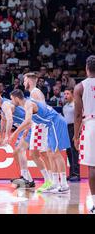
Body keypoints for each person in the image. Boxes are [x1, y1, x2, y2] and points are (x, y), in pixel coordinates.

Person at [9, 89, 71, 194]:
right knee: (50, 153)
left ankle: (64, 184)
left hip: (55, 122)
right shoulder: (27, 103)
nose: (11, 102)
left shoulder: (29, 104)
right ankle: (55, 183)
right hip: (49, 125)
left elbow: (28, 120)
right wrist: (27, 129)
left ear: (16, 98)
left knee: (55, 153)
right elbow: (30, 121)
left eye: (11, 99)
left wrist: (14, 133)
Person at [0, 89, 35, 188]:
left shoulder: (5, 104)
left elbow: (10, 120)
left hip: (29, 126)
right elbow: (3, 120)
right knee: (16, 153)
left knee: (21, 151)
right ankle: (28, 179)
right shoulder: (0, 105)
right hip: (22, 128)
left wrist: (7, 136)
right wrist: (1, 136)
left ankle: (26, 179)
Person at [23, 73, 53, 192]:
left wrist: (28, 127)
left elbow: (42, 111)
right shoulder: (35, 92)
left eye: (24, 81)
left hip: (40, 125)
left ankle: (49, 181)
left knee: (35, 154)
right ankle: (51, 181)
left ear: (29, 81)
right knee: (42, 154)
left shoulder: (35, 92)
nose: (23, 83)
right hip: (39, 125)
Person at [74, 55, 95, 214]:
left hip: (90, 125)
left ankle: (94, 203)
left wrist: (76, 135)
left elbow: (77, 116)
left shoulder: (80, 87)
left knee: (92, 167)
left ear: (87, 68)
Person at [63, 88, 80, 182]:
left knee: (74, 151)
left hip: (74, 128)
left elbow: (79, 118)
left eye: (68, 94)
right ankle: (71, 173)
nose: (65, 95)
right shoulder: (65, 106)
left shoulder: (76, 104)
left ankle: (76, 174)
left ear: (72, 94)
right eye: (64, 94)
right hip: (66, 129)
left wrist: (77, 132)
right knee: (69, 151)